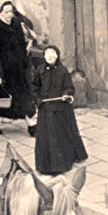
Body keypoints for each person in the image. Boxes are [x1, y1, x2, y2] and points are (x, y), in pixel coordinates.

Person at [0, 1, 37, 136]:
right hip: (1, 70)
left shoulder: (16, 23)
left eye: (11, 11)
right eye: (6, 12)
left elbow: (21, 44)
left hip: (16, 69)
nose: (9, 15)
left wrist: (24, 61)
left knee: (23, 96)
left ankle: (31, 123)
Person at [32, 45, 88, 175]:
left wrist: (66, 94)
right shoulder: (40, 70)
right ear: (44, 56)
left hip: (59, 108)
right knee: (45, 137)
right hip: (45, 109)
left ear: (57, 56)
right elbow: (34, 86)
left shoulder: (63, 71)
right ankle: (45, 166)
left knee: (60, 135)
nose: (50, 56)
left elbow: (69, 88)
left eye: (52, 53)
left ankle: (61, 165)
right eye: (47, 54)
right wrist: (37, 98)